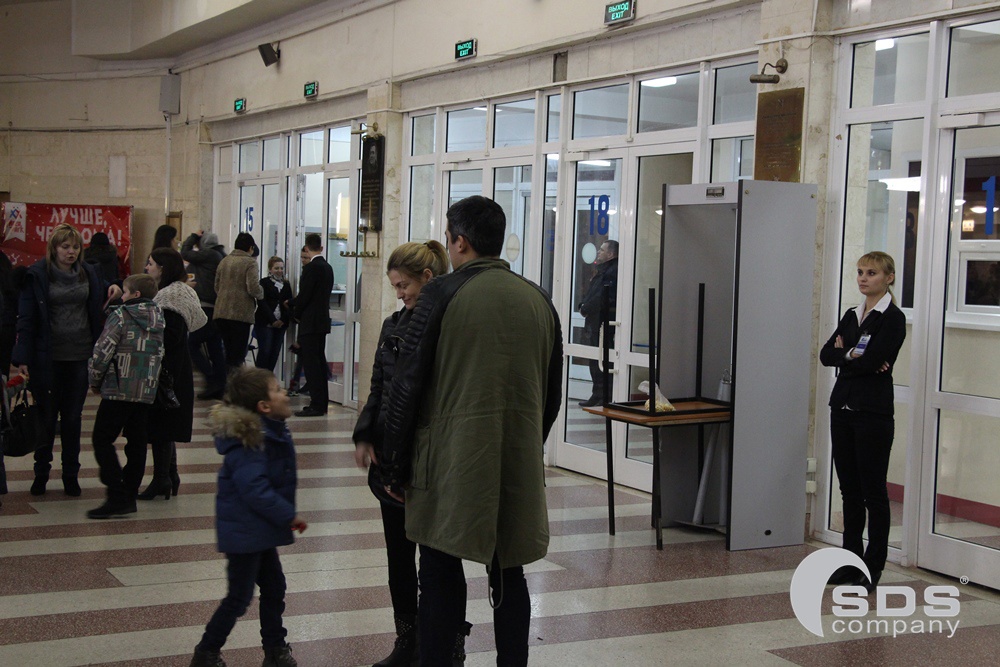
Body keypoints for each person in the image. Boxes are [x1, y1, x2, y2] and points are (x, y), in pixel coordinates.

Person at [380, 196, 563, 666]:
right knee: (509, 575)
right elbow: (551, 396)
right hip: (515, 464)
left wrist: (394, 466)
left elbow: (407, 385)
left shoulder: (441, 294)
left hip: (449, 464)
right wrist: (525, 445)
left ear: (459, 242)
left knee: (439, 571)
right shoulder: (538, 299)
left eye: (448, 237)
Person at [353, 240, 470, 666]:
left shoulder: (449, 325)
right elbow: (380, 386)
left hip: (430, 459)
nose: (400, 294)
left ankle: (449, 645)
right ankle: (407, 641)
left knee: (441, 561)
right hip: (390, 459)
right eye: (395, 287)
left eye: (404, 285)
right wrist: (365, 433)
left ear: (427, 277)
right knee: (398, 559)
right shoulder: (392, 325)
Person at [189, 366, 307, 667]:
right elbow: (254, 489)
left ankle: (275, 649)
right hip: (245, 533)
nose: (285, 393)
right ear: (263, 406)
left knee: (274, 587)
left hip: (259, 530)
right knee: (239, 597)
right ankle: (206, 652)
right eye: (278, 389)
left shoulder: (271, 430)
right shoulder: (250, 440)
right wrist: (287, 515)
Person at [13, 223, 122, 497]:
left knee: (73, 418)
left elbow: (105, 289)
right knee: (47, 417)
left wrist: (114, 287)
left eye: (75, 247)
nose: (71, 252)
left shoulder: (89, 272)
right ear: (54, 248)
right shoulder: (37, 275)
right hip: (47, 358)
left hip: (80, 355)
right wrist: (22, 357)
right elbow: (26, 319)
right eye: (65, 247)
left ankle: (70, 475)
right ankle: (41, 473)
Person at [820, 251, 906, 594]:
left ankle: (873, 566)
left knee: (874, 492)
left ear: (889, 278)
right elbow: (826, 355)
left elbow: (873, 362)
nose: (863, 279)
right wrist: (850, 355)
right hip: (842, 409)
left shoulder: (893, 318)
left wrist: (848, 356)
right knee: (849, 491)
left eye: (871, 273)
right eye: (860, 272)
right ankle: (850, 560)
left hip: (873, 413)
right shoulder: (851, 314)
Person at [86, 273, 165, 519]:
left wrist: (95, 380)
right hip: (146, 388)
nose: (122, 296)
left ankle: (116, 493)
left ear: (135, 295)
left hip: (119, 387)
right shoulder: (158, 317)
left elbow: (103, 350)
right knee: (137, 442)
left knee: (102, 439)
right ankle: (129, 495)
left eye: (126, 292)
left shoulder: (120, 315)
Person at [139, 248, 207, 501]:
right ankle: (170, 475)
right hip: (175, 366)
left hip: (169, 369)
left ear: (163, 268)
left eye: (151, 263)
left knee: (161, 425)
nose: (147, 268)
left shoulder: (171, 296)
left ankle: (162, 479)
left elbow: (171, 335)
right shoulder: (179, 290)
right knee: (164, 424)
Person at [291, 233, 334, 417]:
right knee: (319, 363)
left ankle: (316, 404)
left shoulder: (311, 268)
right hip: (322, 322)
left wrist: (295, 313)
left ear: (307, 248)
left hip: (310, 323)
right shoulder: (328, 267)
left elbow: (305, 296)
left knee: (311, 365)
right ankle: (321, 403)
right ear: (321, 248)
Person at [182, 230, 228, 400]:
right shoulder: (220, 255)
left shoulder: (209, 254)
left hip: (206, 307)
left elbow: (185, 252)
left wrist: (193, 236)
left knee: (192, 344)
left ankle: (211, 378)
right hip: (215, 307)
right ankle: (219, 384)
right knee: (215, 348)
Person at [577, 239, 618, 407]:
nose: (598, 252)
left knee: (600, 361)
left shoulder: (611, 272)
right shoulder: (603, 271)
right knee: (595, 360)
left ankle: (601, 395)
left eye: (602, 250)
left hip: (601, 324)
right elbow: (593, 293)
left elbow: (602, 296)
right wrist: (583, 305)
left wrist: (586, 307)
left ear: (610, 254)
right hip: (596, 323)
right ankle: (598, 394)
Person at [214, 232, 264, 370]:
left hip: (221, 312)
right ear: (251, 248)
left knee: (227, 352)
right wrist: (262, 293)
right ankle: (236, 382)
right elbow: (253, 288)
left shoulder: (224, 261)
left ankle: (226, 380)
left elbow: (216, 286)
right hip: (240, 314)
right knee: (238, 355)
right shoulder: (250, 262)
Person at [254, 256, 293, 372]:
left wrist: (282, 320)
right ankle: (259, 378)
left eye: (281, 268)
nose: (279, 271)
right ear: (270, 269)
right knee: (265, 351)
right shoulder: (264, 282)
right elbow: (262, 302)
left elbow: (289, 303)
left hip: (281, 323)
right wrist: (273, 320)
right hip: (265, 322)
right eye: (276, 268)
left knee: (275, 352)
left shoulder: (286, 284)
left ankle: (268, 377)